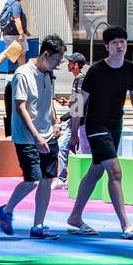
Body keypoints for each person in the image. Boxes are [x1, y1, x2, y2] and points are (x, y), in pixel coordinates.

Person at [67, 25, 133, 239]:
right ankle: (126, 224)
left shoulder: (130, 69)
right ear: (107, 46)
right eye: (114, 43)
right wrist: (73, 132)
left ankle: (75, 216)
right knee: (115, 172)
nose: (119, 46)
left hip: (115, 126)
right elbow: (79, 101)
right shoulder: (96, 71)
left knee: (96, 171)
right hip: (96, 127)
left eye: (122, 42)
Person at [0, 34, 66, 241]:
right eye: (56, 60)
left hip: (47, 135)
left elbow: (49, 100)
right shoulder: (23, 74)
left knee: (47, 180)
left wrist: (55, 122)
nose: (58, 64)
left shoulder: (48, 74)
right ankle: (7, 210)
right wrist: (36, 136)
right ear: (46, 54)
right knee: (33, 179)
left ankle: (38, 225)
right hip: (27, 137)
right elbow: (21, 107)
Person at [55, 50, 88, 188]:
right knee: (64, 146)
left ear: (75, 65)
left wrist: (63, 118)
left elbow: (79, 104)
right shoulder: (77, 79)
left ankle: (72, 180)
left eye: (69, 62)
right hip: (74, 120)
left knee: (79, 150)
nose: (67, 64)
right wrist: (68, 103)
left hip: (80, 122)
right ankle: (64, 179)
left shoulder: (81, 80)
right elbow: (76, 103)